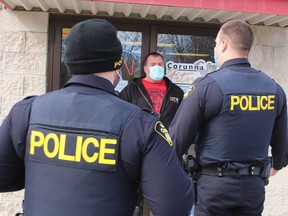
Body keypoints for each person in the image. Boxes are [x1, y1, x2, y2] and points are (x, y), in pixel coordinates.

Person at [0, 19, 194, 216]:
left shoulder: (26, 112)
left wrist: (43, 170)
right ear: (118, 64)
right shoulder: (140, 125)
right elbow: (176, 207)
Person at [169, 19, 288, 216]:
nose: (215, 48)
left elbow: (176, 141)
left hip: (214, 189)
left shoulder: (208, 86)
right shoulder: (274, 89)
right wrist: (274, 165)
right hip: (253, 188)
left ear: (223, 44)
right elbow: (282, 146)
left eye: (216, 43)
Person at [119, 52, 184, 128]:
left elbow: (184, 118)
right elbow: (121, 115)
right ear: (145, 69)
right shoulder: (131, 90)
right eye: (153, 64)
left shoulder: (176, 91)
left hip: (167, 138)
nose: (157, 67)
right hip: (139, 137)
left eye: (160, 64)